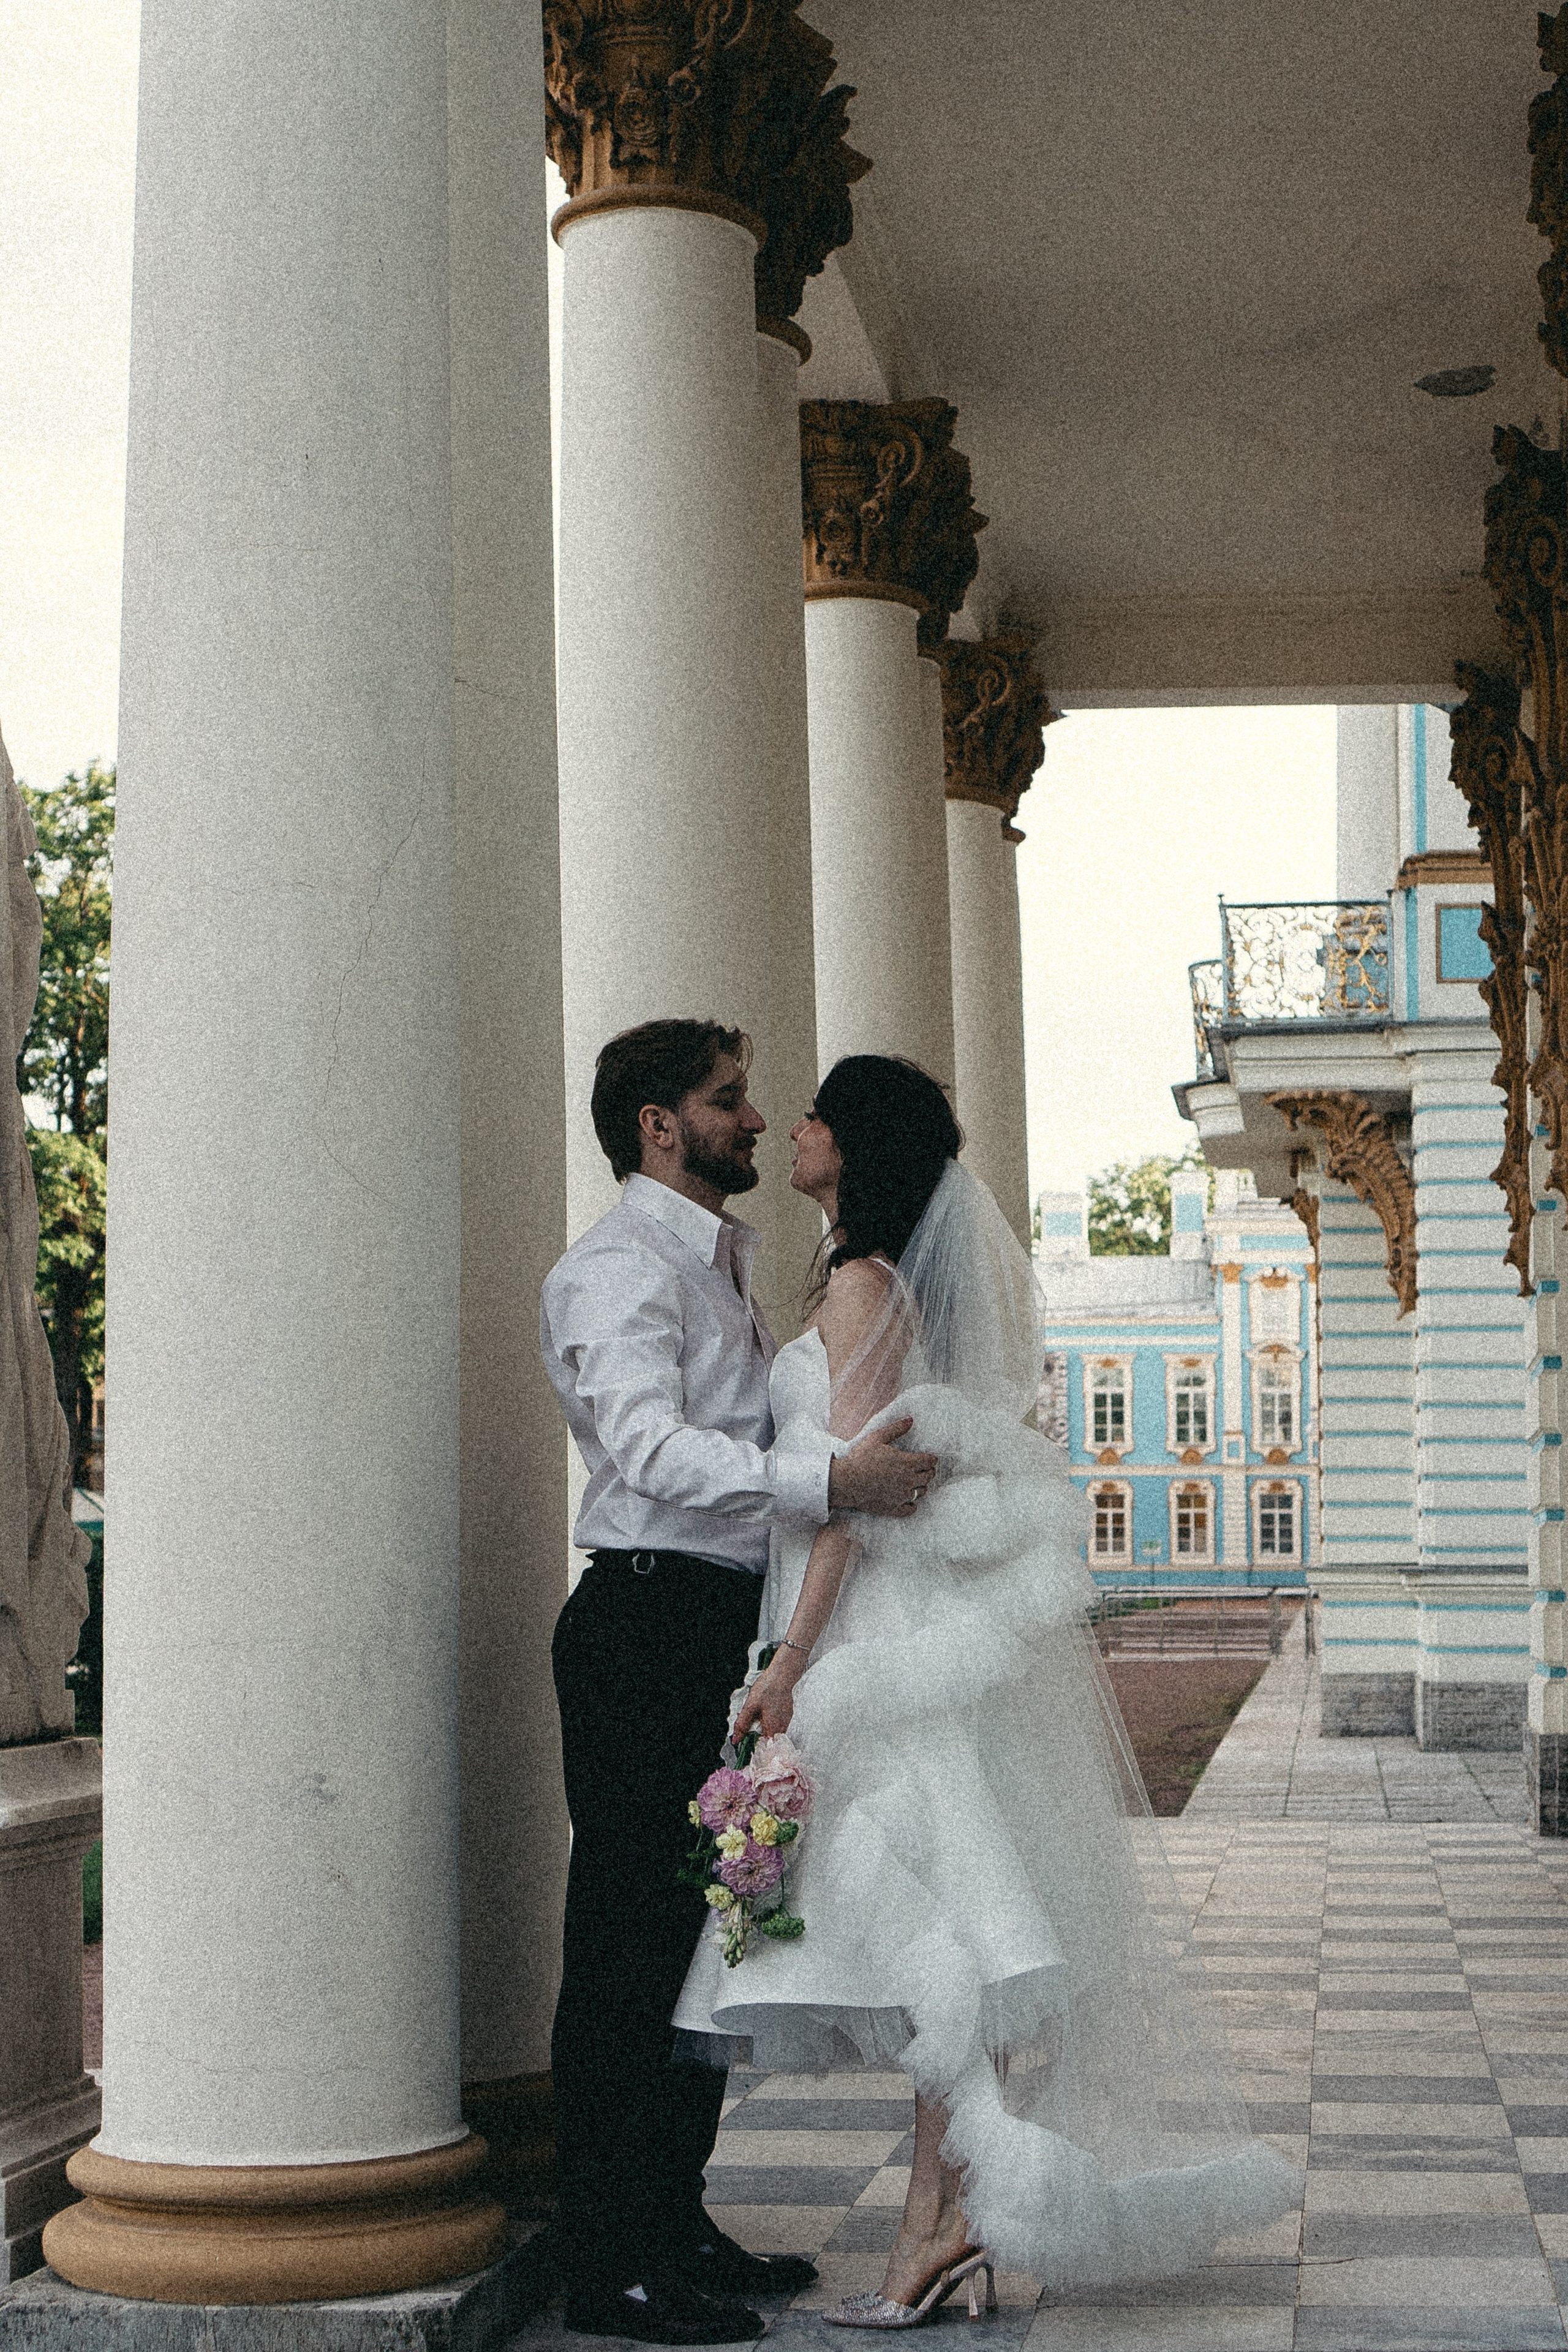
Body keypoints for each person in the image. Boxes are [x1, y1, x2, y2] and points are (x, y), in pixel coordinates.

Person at [674, 1054, 1300, 2326]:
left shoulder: (859, 1288)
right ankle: (944, 2218)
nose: (789, 1129)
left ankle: (938, 2221)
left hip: (870, 1641)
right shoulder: (886, 1286)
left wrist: (788, 1665)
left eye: (812, 1115)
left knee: (936, 1940)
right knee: (943, 1941)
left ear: (851, 1147)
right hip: (887, 1631)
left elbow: (852, 1500)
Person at [539, 1019, 940, 2345]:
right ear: (659, 1124)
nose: (756, 1121)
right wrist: (830, 1479)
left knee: (699, 1930)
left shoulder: (720, 1265)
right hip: (646, 1621)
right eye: (728, 1102)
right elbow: (645, 1451)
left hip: (716, 1622)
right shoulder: (612, 1271)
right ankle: (605, 2258)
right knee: (622, 1947)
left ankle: (671, 2215)